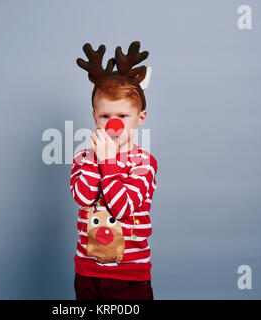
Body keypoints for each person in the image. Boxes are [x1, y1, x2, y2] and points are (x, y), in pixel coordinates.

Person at [70, 41, 158, 300]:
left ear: (140, 118)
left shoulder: (144, 163)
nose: (114, 124)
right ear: (95, 117)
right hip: (87, 272)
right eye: (105, 116)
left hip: (131, 277)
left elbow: (122, 208)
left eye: (122, 115)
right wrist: (96, 159)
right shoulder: (83, 156)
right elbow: (84, 198)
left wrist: (109, 162)